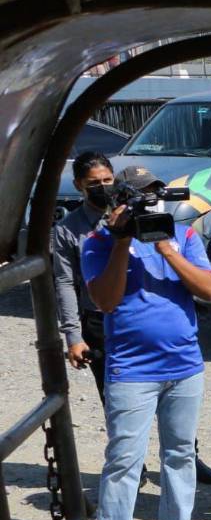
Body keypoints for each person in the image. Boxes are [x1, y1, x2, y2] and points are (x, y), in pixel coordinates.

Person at [81, 165, 211, 520]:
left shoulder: (184, 236)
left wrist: (167, 249)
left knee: (179, 452)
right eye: (139, 195)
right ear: (120, 201)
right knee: (124, 459)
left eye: (154, 194)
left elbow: (209, 290)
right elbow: (105, 300)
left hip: (183, 365)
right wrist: (123, 242)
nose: (148, 202)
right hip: (131, 369)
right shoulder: (97, 242)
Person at [53, 150, 115, 400]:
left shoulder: (132, 215)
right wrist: (73, 336)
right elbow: (65, 282)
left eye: (107, 180)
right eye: (94, 183)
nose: (102, 187)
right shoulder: (68, 230)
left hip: (141, 316)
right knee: (113, 400)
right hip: (100, 322)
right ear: (79, 185)